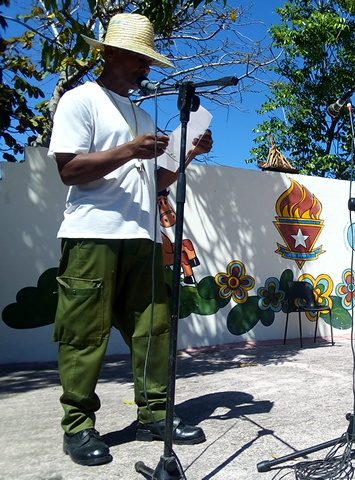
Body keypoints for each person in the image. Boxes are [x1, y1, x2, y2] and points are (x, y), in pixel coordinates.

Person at [48, 13, 212, 466]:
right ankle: (78, 427)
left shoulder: (139, 113)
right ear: (113, 53)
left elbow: (153, 181)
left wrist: (189, 154)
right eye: (141, 59)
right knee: (84, 333)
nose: (147, 68)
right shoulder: (80, 101)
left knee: (154, 328)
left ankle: (154, 415)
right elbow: (69, 170)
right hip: (92, 235)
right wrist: (128, 150)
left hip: (142, 236)